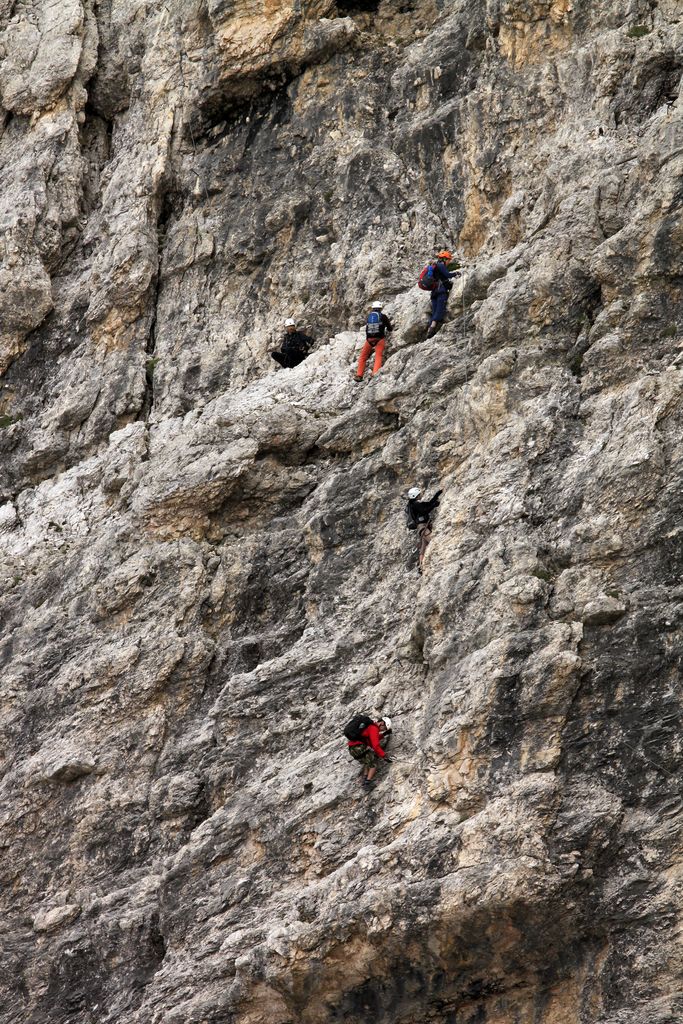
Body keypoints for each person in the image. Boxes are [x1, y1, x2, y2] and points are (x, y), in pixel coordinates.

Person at [347, 715, 393, 788]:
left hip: (353, 748)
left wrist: (384, 734)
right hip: (359, 747)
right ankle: (367, 783)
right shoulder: (374, 728)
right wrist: (385, 756)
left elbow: (372, 739)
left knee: (368, 761)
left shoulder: (370, 727)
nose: (383, 730)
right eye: (384, 728)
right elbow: (375, 746)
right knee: (373, 762)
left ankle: (365, 778)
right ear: (382, 723)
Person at [355, 301, 393, 382]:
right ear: (381, 308)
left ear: (373, 308)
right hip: (379, 339)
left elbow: (367, 329)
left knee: (363, 357)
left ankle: (359, 375)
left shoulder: (369, 316)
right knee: (378, 356)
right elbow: (390, 328)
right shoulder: (383, 316)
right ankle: (375, 373)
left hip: (369, 340)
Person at [406, 486, 442, 571]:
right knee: (433, 541)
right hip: (423, 527)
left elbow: (428, 504)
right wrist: (434, 505)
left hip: (422, 528)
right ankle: (424, 565)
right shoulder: (415, 505)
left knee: (424, 546)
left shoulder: (414, 505)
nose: (421, 495)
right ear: (416, 495)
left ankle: (421, 566)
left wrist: (437, 494)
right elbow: (425, 509)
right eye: (419, 494)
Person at [426, 250, 460, 338]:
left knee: (434, 311)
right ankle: (432, 329)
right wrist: (456, 273)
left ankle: (430, 330)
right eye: (448, 260)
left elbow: (443, 278)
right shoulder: (441, 265)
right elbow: (447, 275)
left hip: (434, 292)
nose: (449, 262)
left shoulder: (434, 267)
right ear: (445, 259)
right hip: (441, 291)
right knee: (439, 310)